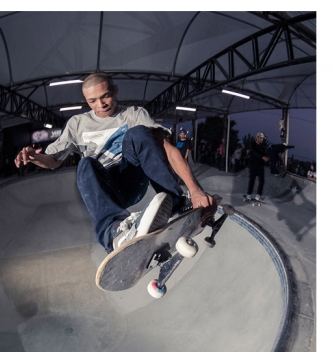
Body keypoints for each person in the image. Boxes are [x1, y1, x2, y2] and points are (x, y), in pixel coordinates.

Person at [14, 72, 213, 255]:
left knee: (139, 133)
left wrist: (195, 189)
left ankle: (177, 204)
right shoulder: (77, 123)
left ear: (115, 90)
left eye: (105, 96)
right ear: (86, 100)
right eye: (92, 101)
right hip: (105, 188)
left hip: (131, 178)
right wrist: (34, 157)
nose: (101, 104)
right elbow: (53, 162)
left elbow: (168, 149)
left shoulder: (134, 114)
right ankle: (114, 232)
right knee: (86, 164)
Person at [244, 132, 269, 203]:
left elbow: (264, 154)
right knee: (252, 180)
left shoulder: (262, 146)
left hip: (260, 165)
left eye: (263, 139)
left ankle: (258, 196)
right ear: (257, 137)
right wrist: (262, 157)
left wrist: (267, 158)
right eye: (261, 138)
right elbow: (254, 152)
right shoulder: (252, 144)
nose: (262, 140)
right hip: (253, 165)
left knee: (262, 180)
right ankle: (249, 195)